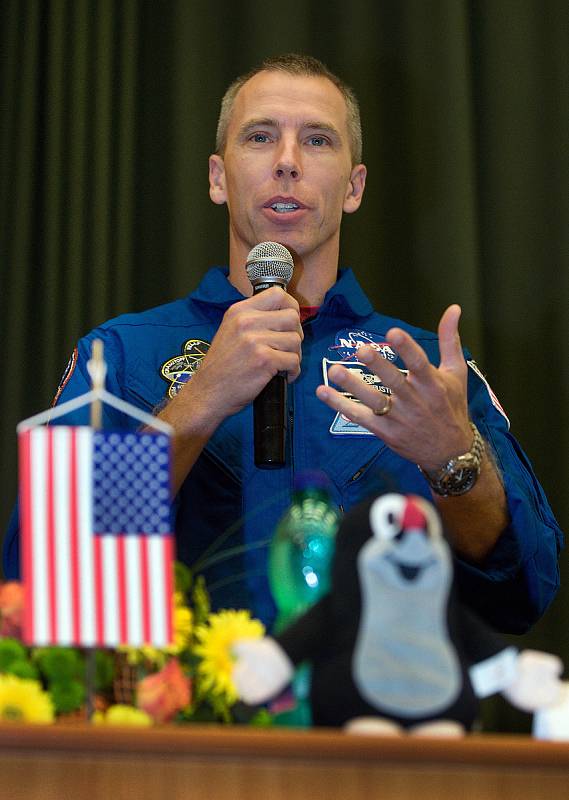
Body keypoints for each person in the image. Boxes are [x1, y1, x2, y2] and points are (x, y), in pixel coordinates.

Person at [3, 54, 562, 634]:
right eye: (261, 137)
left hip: (364, 714)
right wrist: (197, 404)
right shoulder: (121, 355)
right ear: (218, 178)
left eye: (317, 141)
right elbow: (38, 577)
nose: (287, 163)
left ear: (354, 186)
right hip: (182, 711)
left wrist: (454, 461)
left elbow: (526, 590)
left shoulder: (424, 371)